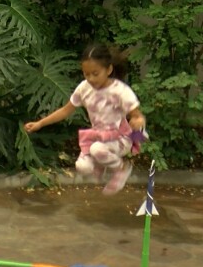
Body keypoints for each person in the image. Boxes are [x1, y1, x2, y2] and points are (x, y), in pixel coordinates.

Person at [24, 44, 146, 195]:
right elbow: (65, 110)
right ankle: (101, 165)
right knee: (83, 167)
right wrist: (40, 123)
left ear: (108, 70)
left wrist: (137, 121)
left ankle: (122, 168)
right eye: (86, 74)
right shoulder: (84, 88)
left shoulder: (120, 91)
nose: (91, 79)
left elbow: (137, 116)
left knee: (97, 150)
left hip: (120, 138)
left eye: (95, 73)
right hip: (97, 137)